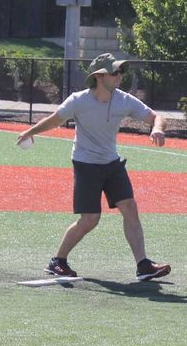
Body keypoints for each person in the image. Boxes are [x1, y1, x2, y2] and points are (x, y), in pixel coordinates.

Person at [16, 54, 171, 281]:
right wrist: (29, 132)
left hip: (111, 162)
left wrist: (157, 129)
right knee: (90, 219)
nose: (120, 76)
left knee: (129, 207)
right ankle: (58, 261)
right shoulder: (79, 100)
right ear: (99, 76)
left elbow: (156, 117)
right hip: (86, 163)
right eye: (114, 72)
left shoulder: (124, 100)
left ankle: (143, 265)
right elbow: (55, 119)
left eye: (120, 72)